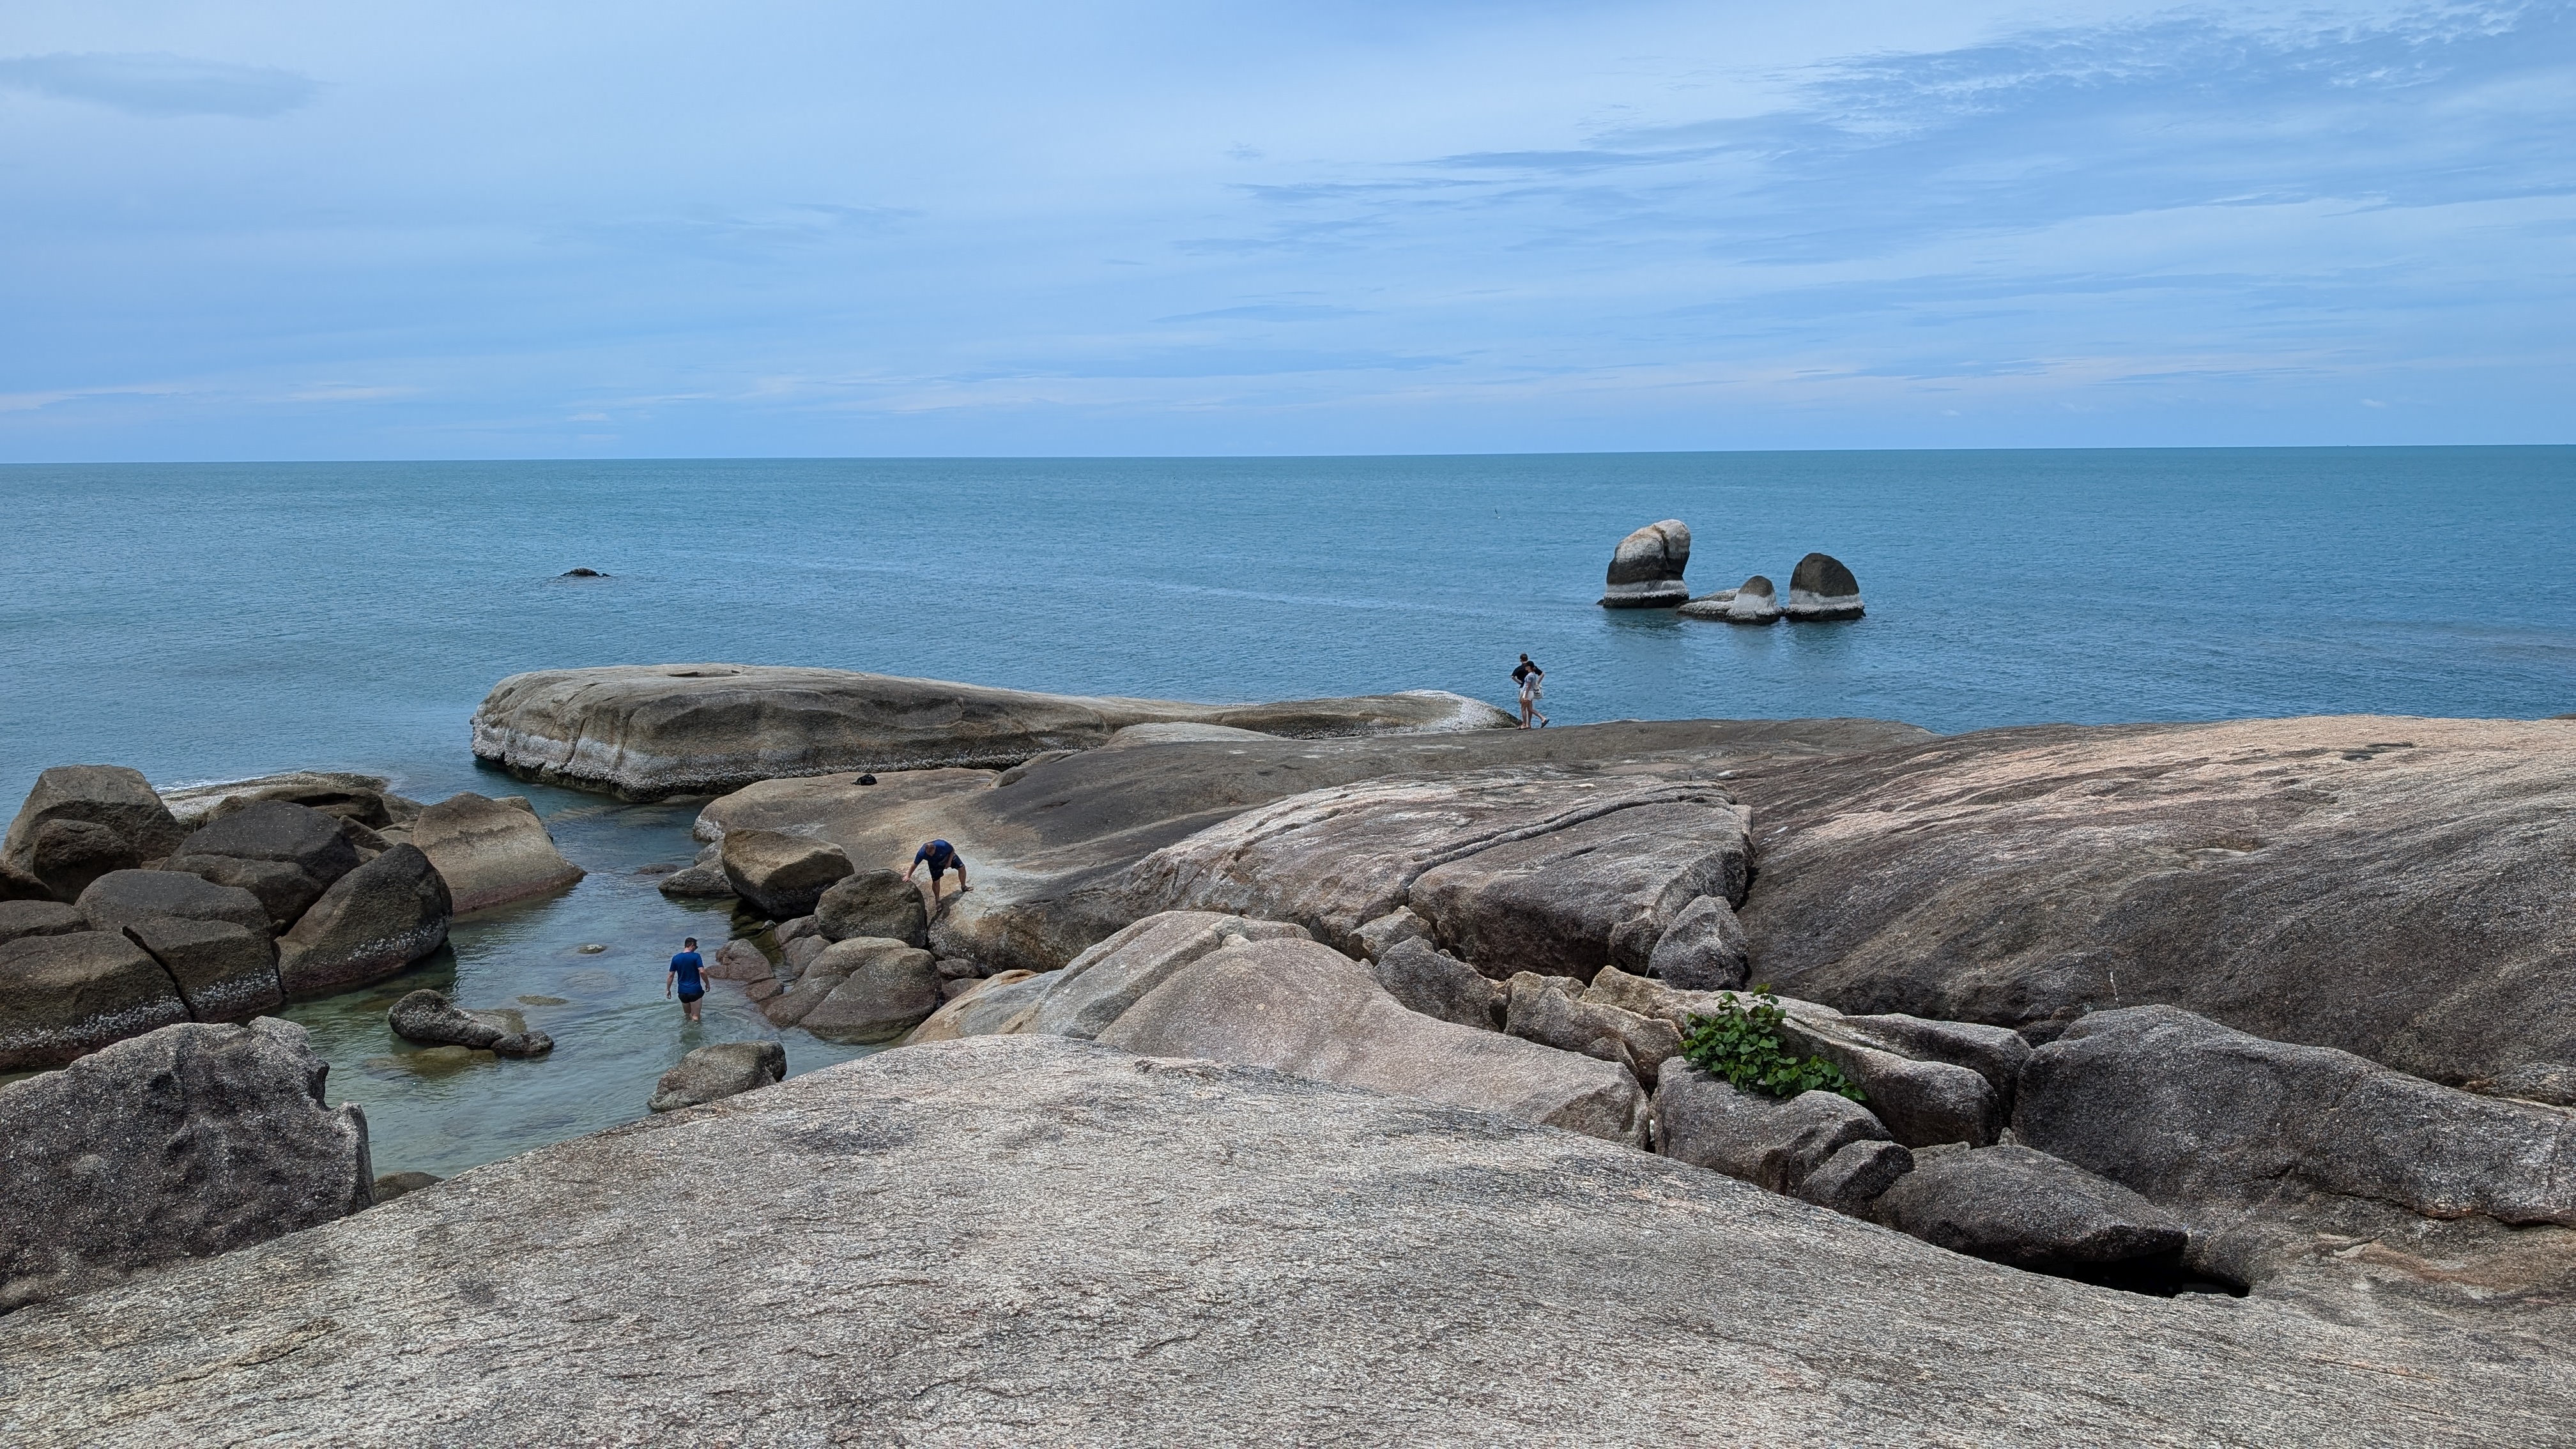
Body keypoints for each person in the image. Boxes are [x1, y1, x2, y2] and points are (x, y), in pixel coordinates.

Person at [905, 838, 969, 912]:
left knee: (962, 868)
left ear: (935, 848)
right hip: (935, 864)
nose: (931, 855)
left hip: (947, 857)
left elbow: (952, 850)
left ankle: (964, 886)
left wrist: (949, 862)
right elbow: (915, 864)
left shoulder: (942, 845)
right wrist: (908, 876)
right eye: (929, 854)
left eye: (932, 853)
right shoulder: (922, 853)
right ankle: (938, 900)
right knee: (936, 882)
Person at [666, 937, 708, 1023]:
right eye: (695, 947)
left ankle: (685, 1029)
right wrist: (707, 983)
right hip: (695, 991)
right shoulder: (696, 956)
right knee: (695, 1017)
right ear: (692, 945)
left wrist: (668, 989)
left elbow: (671, 975)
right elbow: (702, 971)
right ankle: (696, 1031)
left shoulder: (676, 958)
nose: (695, 949)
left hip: (682, 992)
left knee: (687, 1016)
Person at [1512, 654, 1549, 728]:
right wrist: (1537, 683)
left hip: (1525, 690)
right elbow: (1542, 674)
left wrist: (1519, 682)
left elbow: (1513, 677)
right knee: (1530, 709)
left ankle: (1525, 724)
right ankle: (1529, 724)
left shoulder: (1521, 669)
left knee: (1523, 708)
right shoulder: (1533, 670)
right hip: (1531, 690)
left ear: (1520, 660)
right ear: (1527, 658)